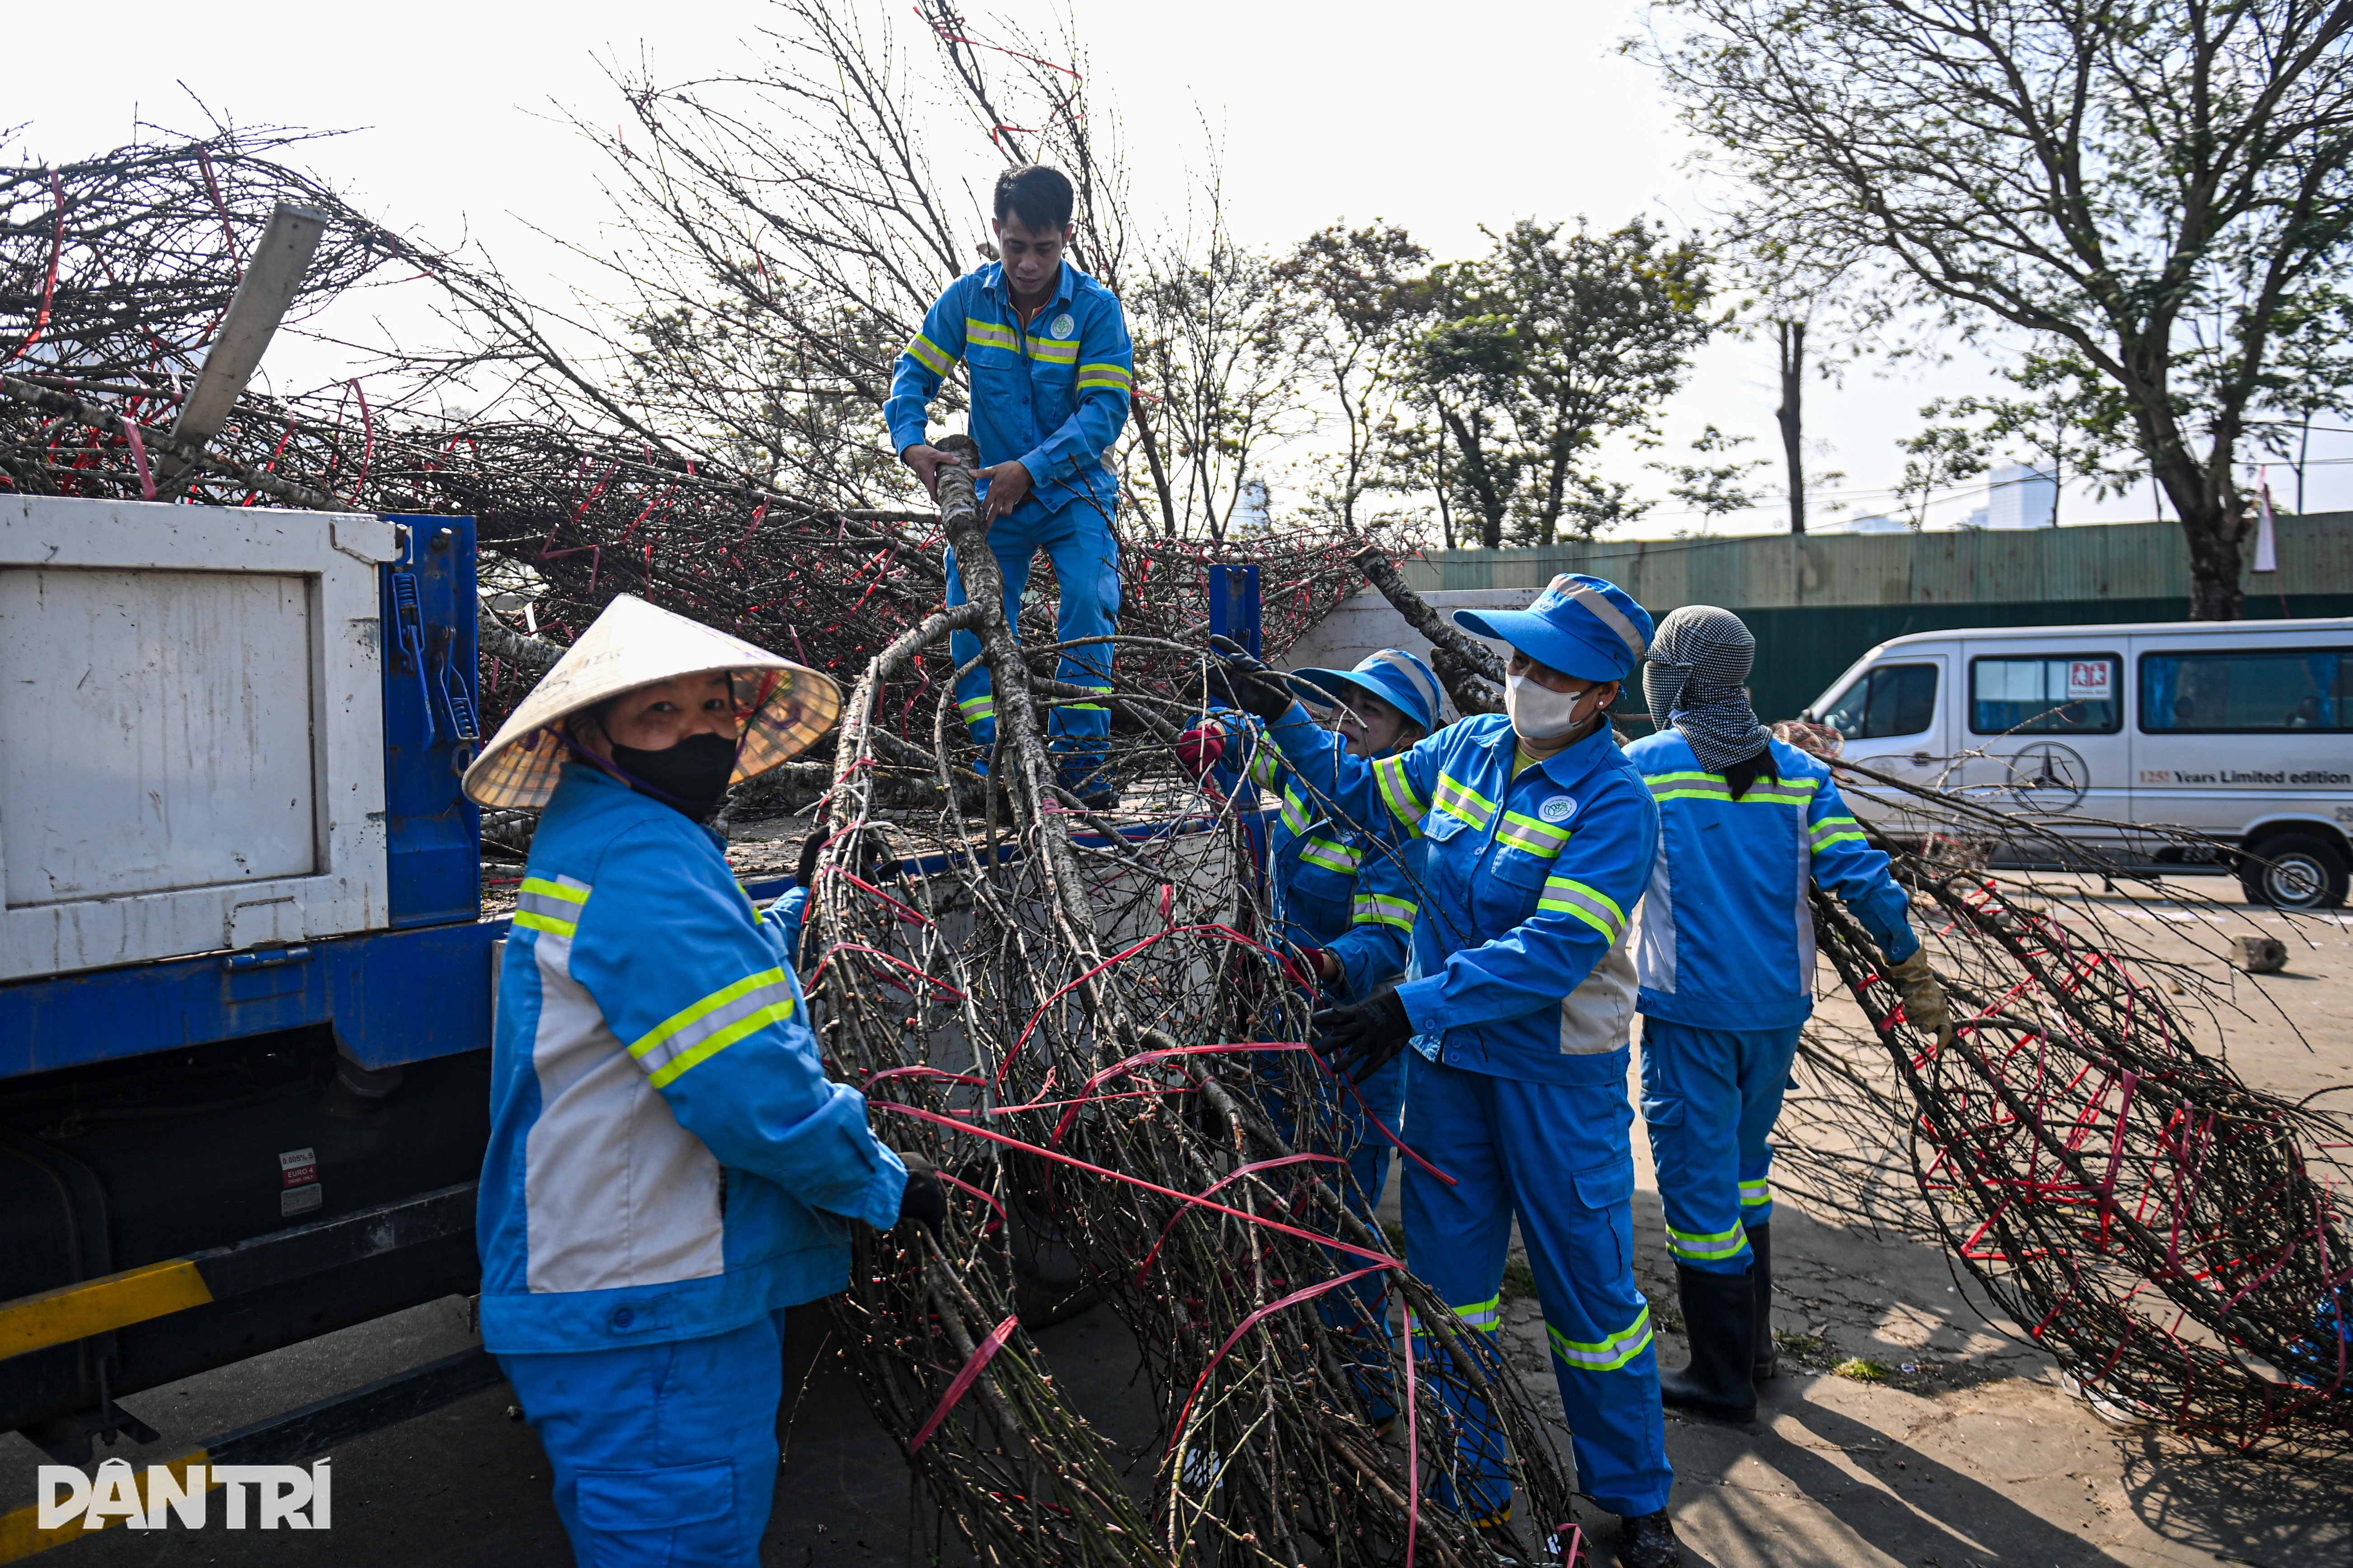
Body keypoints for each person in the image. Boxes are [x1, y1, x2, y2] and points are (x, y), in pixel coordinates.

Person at [463, 593, 946, 1568]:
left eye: (713, 709)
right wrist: (882, 1183)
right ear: (592, 736)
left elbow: (691, 984)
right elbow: (752, 1097)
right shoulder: (644, 857)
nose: (698, 735)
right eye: (658, 715)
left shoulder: (613, 838)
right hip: (649, 1302)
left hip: (617, 1287)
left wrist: (801, 911)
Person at [1211, 576, 1681, 1568]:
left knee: (1592, 1301)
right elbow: (1360, 791)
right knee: (1447, 1293)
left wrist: (1403, 1002)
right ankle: (1469, 1489)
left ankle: (1634, 1497)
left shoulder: (1616, 805)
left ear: (1601, 695)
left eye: (1551, 670)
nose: (1525, 680)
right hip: (1449, 1076)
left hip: (1554, 1080)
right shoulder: (1462, 748)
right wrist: (1281, 714)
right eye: (1519, 660)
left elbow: (1554, 950)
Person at [1627, 606, 1953, 1425]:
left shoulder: (1644, 768)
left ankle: (1719, 1377)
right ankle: (1755, 1348)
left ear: (1677, 677)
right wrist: (1910, 966)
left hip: (1691, 1013)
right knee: (1743, 1172)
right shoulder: (1802, 775)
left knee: (1698, 1194)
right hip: (1776, 1012)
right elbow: (1861, 875)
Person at [1181, 648, 1443, 1426]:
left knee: (1340, 1221)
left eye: (1374, 712)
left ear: (1408, 737)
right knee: (1272, 1196)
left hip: (1346, 1042)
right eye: (1345, 705)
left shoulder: (1405, 825)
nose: (1350, 721)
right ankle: (1290, 1363)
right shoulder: (1315, 765)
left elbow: (1386, 940)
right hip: (1272, 1025)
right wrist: (1212, 729)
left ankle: (1361, 1388)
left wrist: (1325, 961)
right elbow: (1249, 738)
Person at [887, 163, 1135, 808]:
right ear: (996, 232)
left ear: (1067, 237)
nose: (1028, 263)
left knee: (1086, 600)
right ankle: (997, 760)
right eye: (1015, 246)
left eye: (1044, 249)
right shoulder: (967, 300)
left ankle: (1082, 766)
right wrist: (911, 441)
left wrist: (1034, 467)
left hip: (1075, 494)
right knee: (970, 619)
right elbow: (912, 373)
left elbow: (1104, 411)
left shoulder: (1095, 310)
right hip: (992, 503)